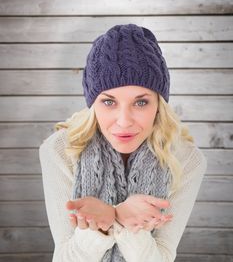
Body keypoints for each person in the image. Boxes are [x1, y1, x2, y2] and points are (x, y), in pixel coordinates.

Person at [39, 23, 207, 262]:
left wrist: (123, 222)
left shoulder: (186, 159)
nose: (124, 121)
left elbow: (163, 257)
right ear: (92, 104)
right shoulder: (60, 151)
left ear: (159, 104)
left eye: (141, 103)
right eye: (109, 102)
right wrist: (107, 224)